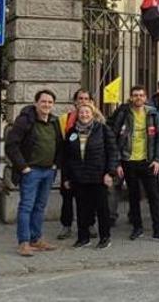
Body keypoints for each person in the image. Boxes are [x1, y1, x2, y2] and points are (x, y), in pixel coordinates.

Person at [5, 89, 63, 257]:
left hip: (48, 172)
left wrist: (55, 165)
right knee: (26, 207)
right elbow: (11, 145)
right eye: (43, 102)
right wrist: (23, 167)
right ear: (36, 103)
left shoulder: (54, 122)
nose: (46, 105)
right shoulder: (25, 121)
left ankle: (36, 239)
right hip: (31, 172)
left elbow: (60, 145)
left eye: (50, 102)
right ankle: (23, 242)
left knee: (40, 207)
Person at [110, 86, 159, 242]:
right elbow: (114, 138)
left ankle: (158, 229)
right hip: (128, 161)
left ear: (145, 97)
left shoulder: (152, 113)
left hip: (148, 162)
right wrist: (117, 162)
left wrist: (157, 160)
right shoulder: (123, 113)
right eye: (135, 95)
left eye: (141, 95)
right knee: (133, 196)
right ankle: (137, 228)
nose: (138, 98)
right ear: (131, 97)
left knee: (154, 197)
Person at [62, 103, 119, 249]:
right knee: (82, 209)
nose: (84, 115)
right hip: (79, 177)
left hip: (98, 176)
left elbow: (112, 152)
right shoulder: (72, 132)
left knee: (102, 209)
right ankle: (83, 238)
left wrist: (110, 173)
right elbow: (67, 157)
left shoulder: (103, 129)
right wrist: (67, 178)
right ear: (77, 114)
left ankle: (105, 237)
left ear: (93, 114)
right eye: (81, 112)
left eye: (87, 112)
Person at [56, 89, 94, 240]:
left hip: (90, 166)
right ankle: (66, 225)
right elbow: (60, 144)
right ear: (75, 101)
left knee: (89, 198)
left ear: (91, 101)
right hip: (70, 165)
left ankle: (89, 224)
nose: (83, 101)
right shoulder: (65, 119)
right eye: (80, 98)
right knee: (67, 197)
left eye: (86, 98)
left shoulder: (96, 119)